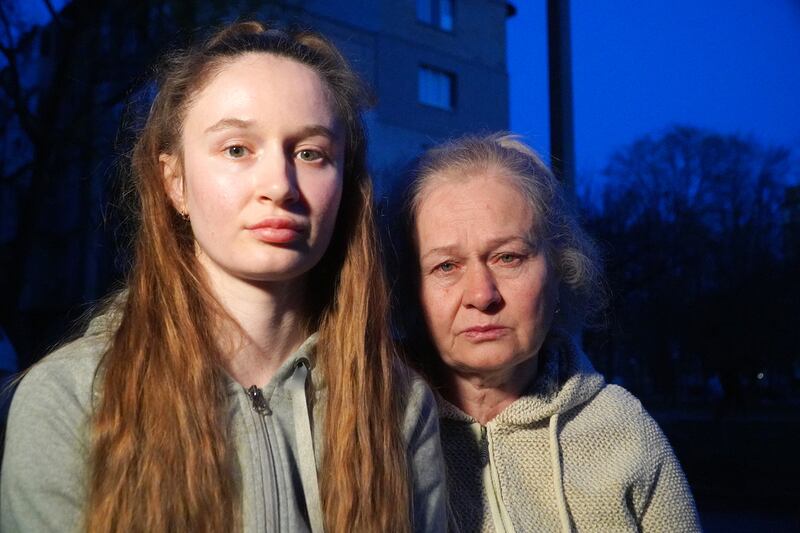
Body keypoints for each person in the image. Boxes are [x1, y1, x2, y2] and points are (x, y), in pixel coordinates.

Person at [1, 22, 446, 533]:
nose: (279, 185)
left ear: (345, 185)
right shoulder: (70, 398)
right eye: (237, 149)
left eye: (311, 154)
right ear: (175, 182)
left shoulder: (398, 405)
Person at [395, 133, 701, 532]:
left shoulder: (625, 429)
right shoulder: (369, 427)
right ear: (405, 288)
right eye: (446, 267)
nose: (481, 295)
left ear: (559, 269)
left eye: (508, 257)